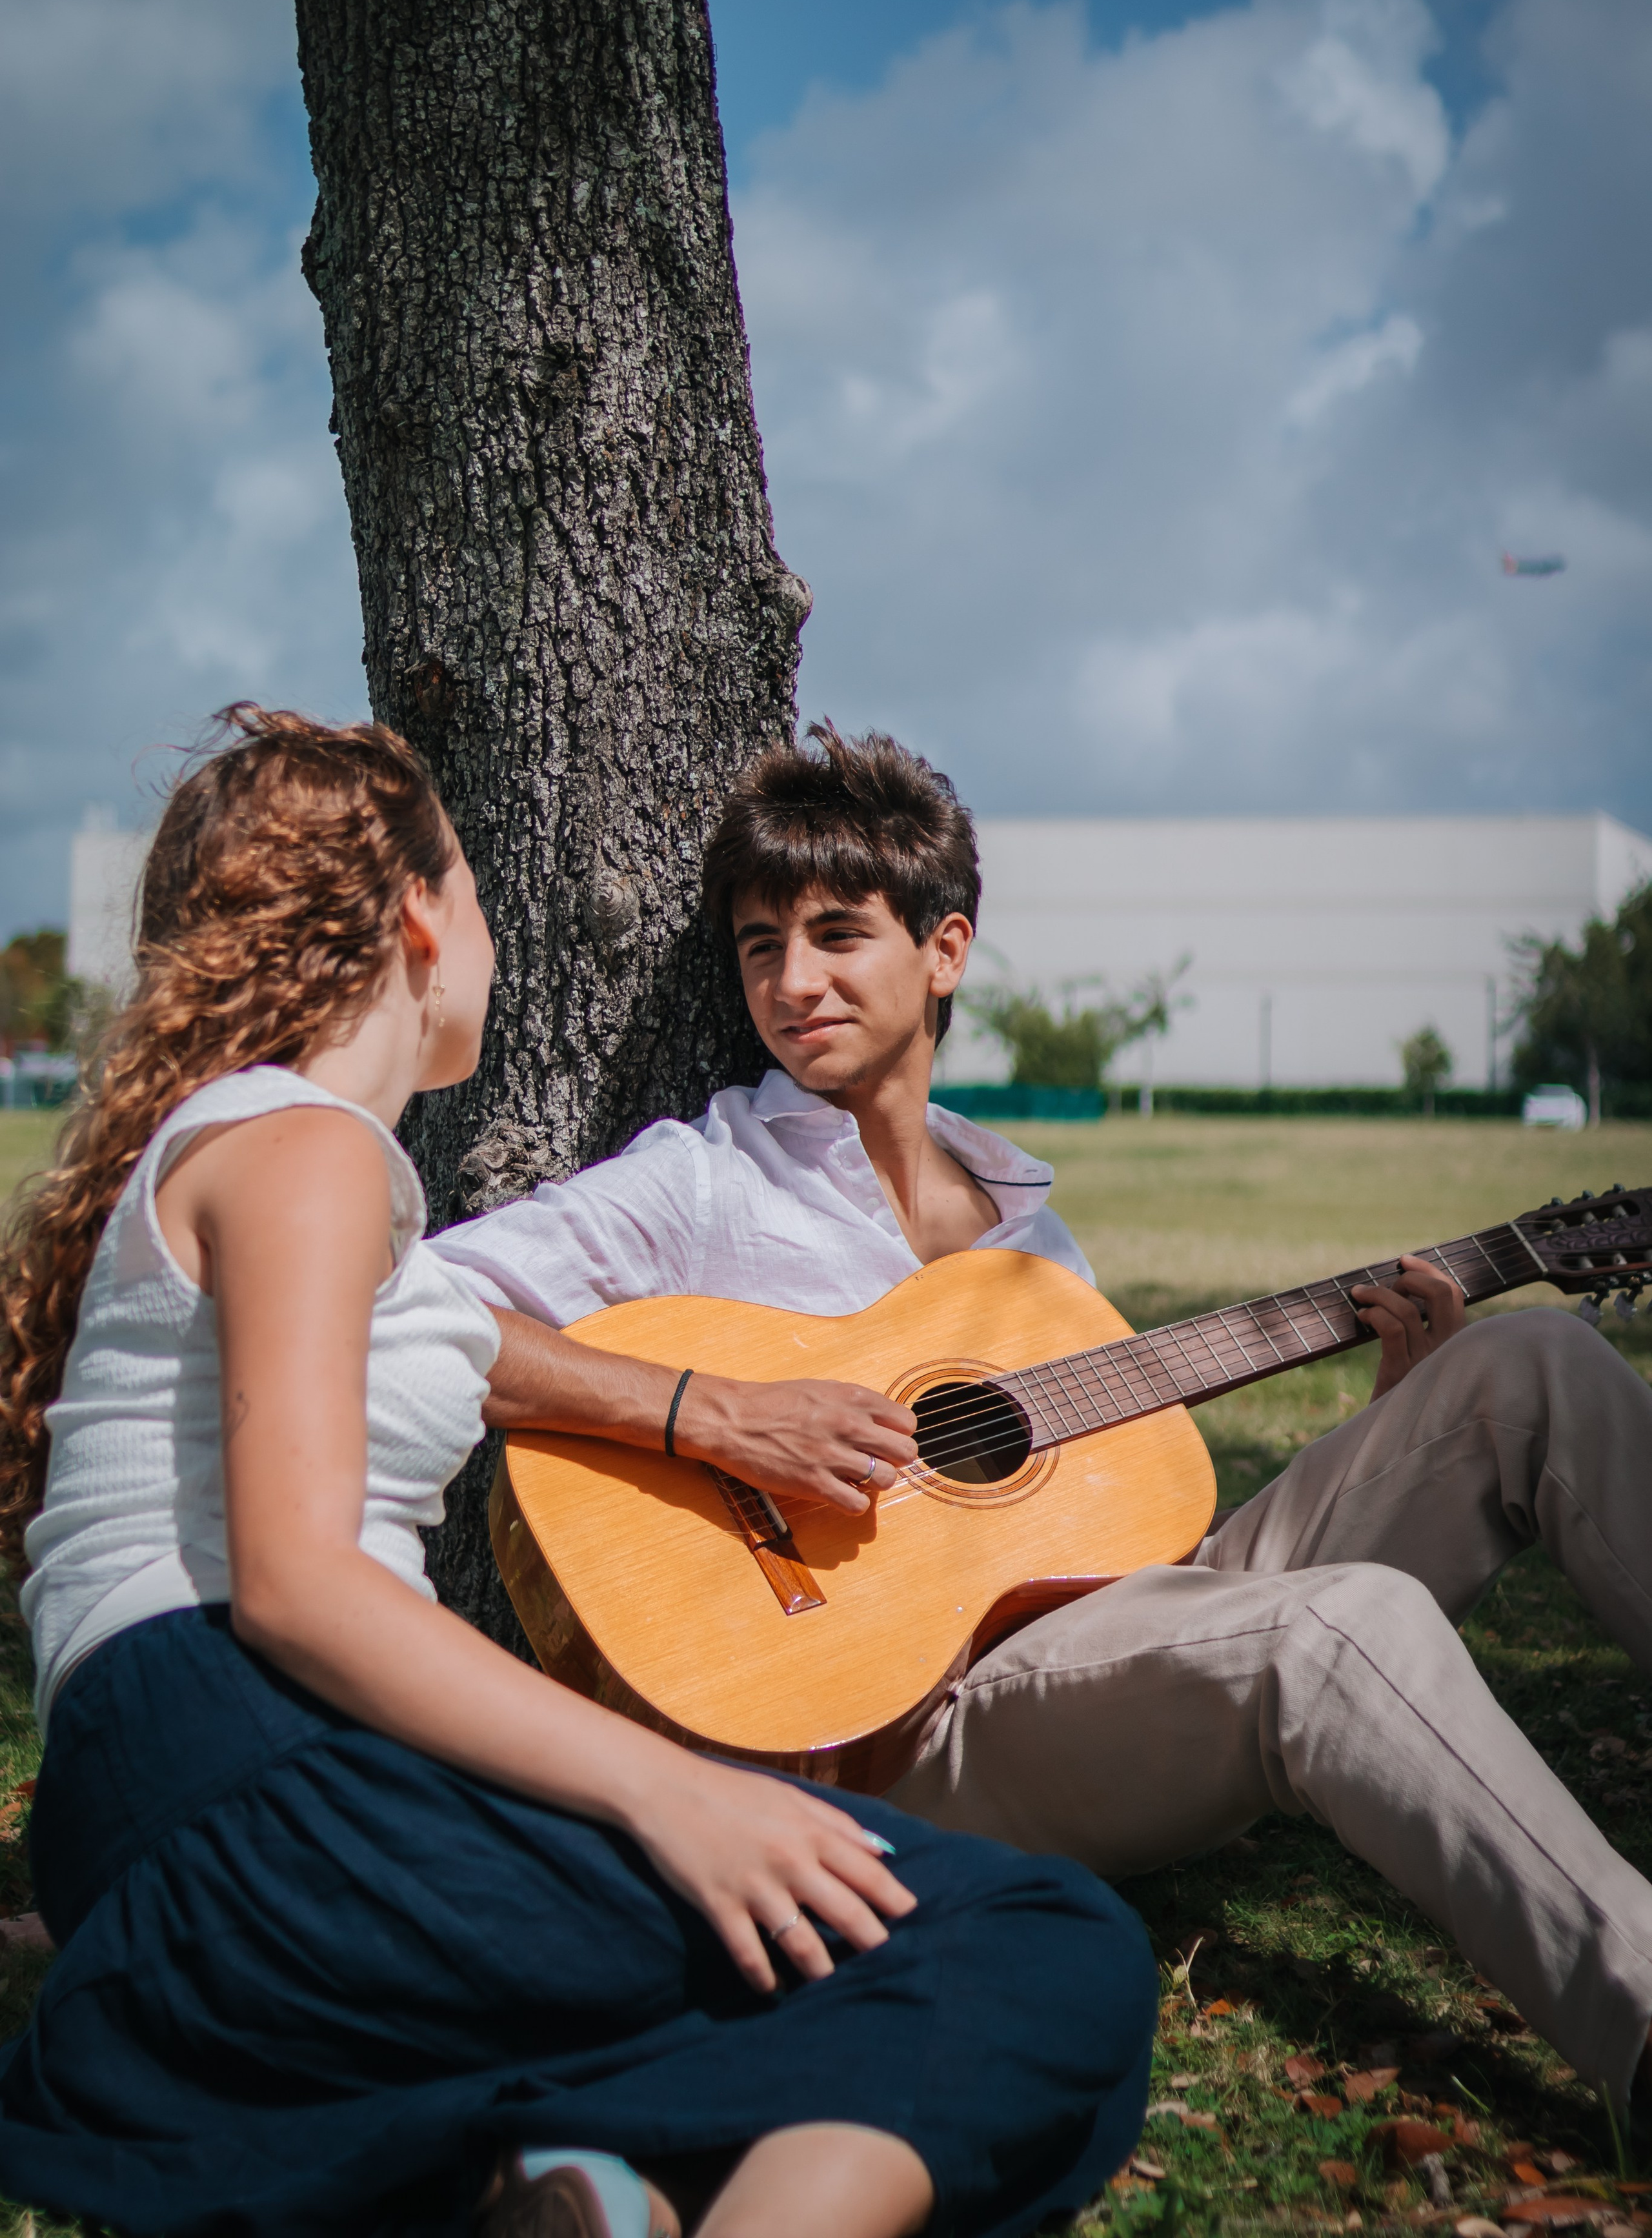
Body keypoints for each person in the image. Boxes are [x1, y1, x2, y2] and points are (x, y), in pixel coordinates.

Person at [0, 707, 1158, 2238]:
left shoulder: (274, 1163)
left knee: (702, 2008)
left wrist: (717, 1415)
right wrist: (673, 1793)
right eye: (476, 887)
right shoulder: (306, 1151)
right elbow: (294, 1583)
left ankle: (586, 2195)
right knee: (1036, 1934)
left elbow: (468, 1365)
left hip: (168, 1794)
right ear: (420, 917)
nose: (489, 928)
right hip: (258, 1755)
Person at [431, 722, 1652, 2119]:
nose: (790, 980)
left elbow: (1110, 1519)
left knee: (1531, 1365)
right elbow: (403, 1317)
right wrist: (710, 1414)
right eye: (759, 944)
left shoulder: (1027, 1230)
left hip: (1114, 1637)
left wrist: (1395, 1403)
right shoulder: (705, 1182)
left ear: (942, 951)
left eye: (837, 936)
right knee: (1340, 1621)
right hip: (907, 1733)